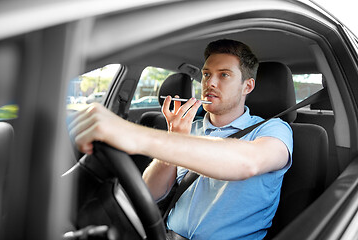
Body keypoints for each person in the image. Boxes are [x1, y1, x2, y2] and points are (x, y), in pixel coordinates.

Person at [69, 39, 293, 240]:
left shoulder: (273, 130)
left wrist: (136, 135)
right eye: (206, 74)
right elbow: (150, 193)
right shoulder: (188, 128)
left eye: (224, 74)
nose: (210, 83)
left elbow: (248, 162)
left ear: (248, 86)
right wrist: (173, 139)